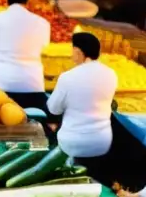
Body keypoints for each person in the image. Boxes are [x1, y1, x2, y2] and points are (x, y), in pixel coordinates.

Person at [47, 32, 118, 168]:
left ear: (78, 51)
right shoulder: (111, 74)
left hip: (72, 143)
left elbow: (53, 109)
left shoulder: (68, 77)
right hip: (102, 142)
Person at [0, 0, 51, 110]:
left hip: (3, 84)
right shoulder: (42, 22)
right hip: (33, 84)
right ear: (27, 1)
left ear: (7, 1)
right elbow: (44, 47)